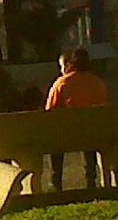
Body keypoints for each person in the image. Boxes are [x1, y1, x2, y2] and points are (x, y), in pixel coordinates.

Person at [44, 47, 109, 190]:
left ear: (69, 65)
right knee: (90, 132)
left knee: (55, 138)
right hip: (94, 134)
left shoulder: (62, 83)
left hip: (67, 136)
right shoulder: (98, 82)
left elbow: (49, 112)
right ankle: (90, 179)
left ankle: (56, 181)